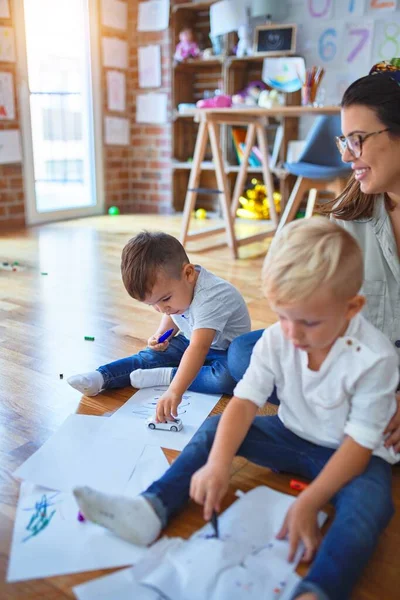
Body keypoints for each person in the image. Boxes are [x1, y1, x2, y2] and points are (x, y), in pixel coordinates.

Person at [74, 218, 399, 600]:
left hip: (354, 455)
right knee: (213, 433)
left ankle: (319, 589)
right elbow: (244, 404)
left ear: (352, 308)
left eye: (308, 322)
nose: (291, 335)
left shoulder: (377, 358)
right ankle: (151, 508)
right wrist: (217, 462)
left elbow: (360, 446)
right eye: (282, 317)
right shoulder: (280, 338)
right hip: (292, 434)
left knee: (370, 507)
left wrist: (309, 501)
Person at [228, 58, 400, 452]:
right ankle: (350, 417)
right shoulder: (348, 218)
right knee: (241, 353)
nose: (345, 156)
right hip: (351, 370)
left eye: (357, 139)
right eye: (344, 141)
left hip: (376, 373)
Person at [68, 231, 250, 419]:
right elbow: (175, 314)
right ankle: (102, 377)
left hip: (225, 352)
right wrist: (162, 334)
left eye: (165, 299)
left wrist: (174, 390)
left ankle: (166, 375)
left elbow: (199, 348)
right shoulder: (177, 294)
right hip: (191, 340)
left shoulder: (211, 297)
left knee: (226, 379)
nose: (162, 309)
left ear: (188, 273)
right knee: (151, 355)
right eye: (152, 304)